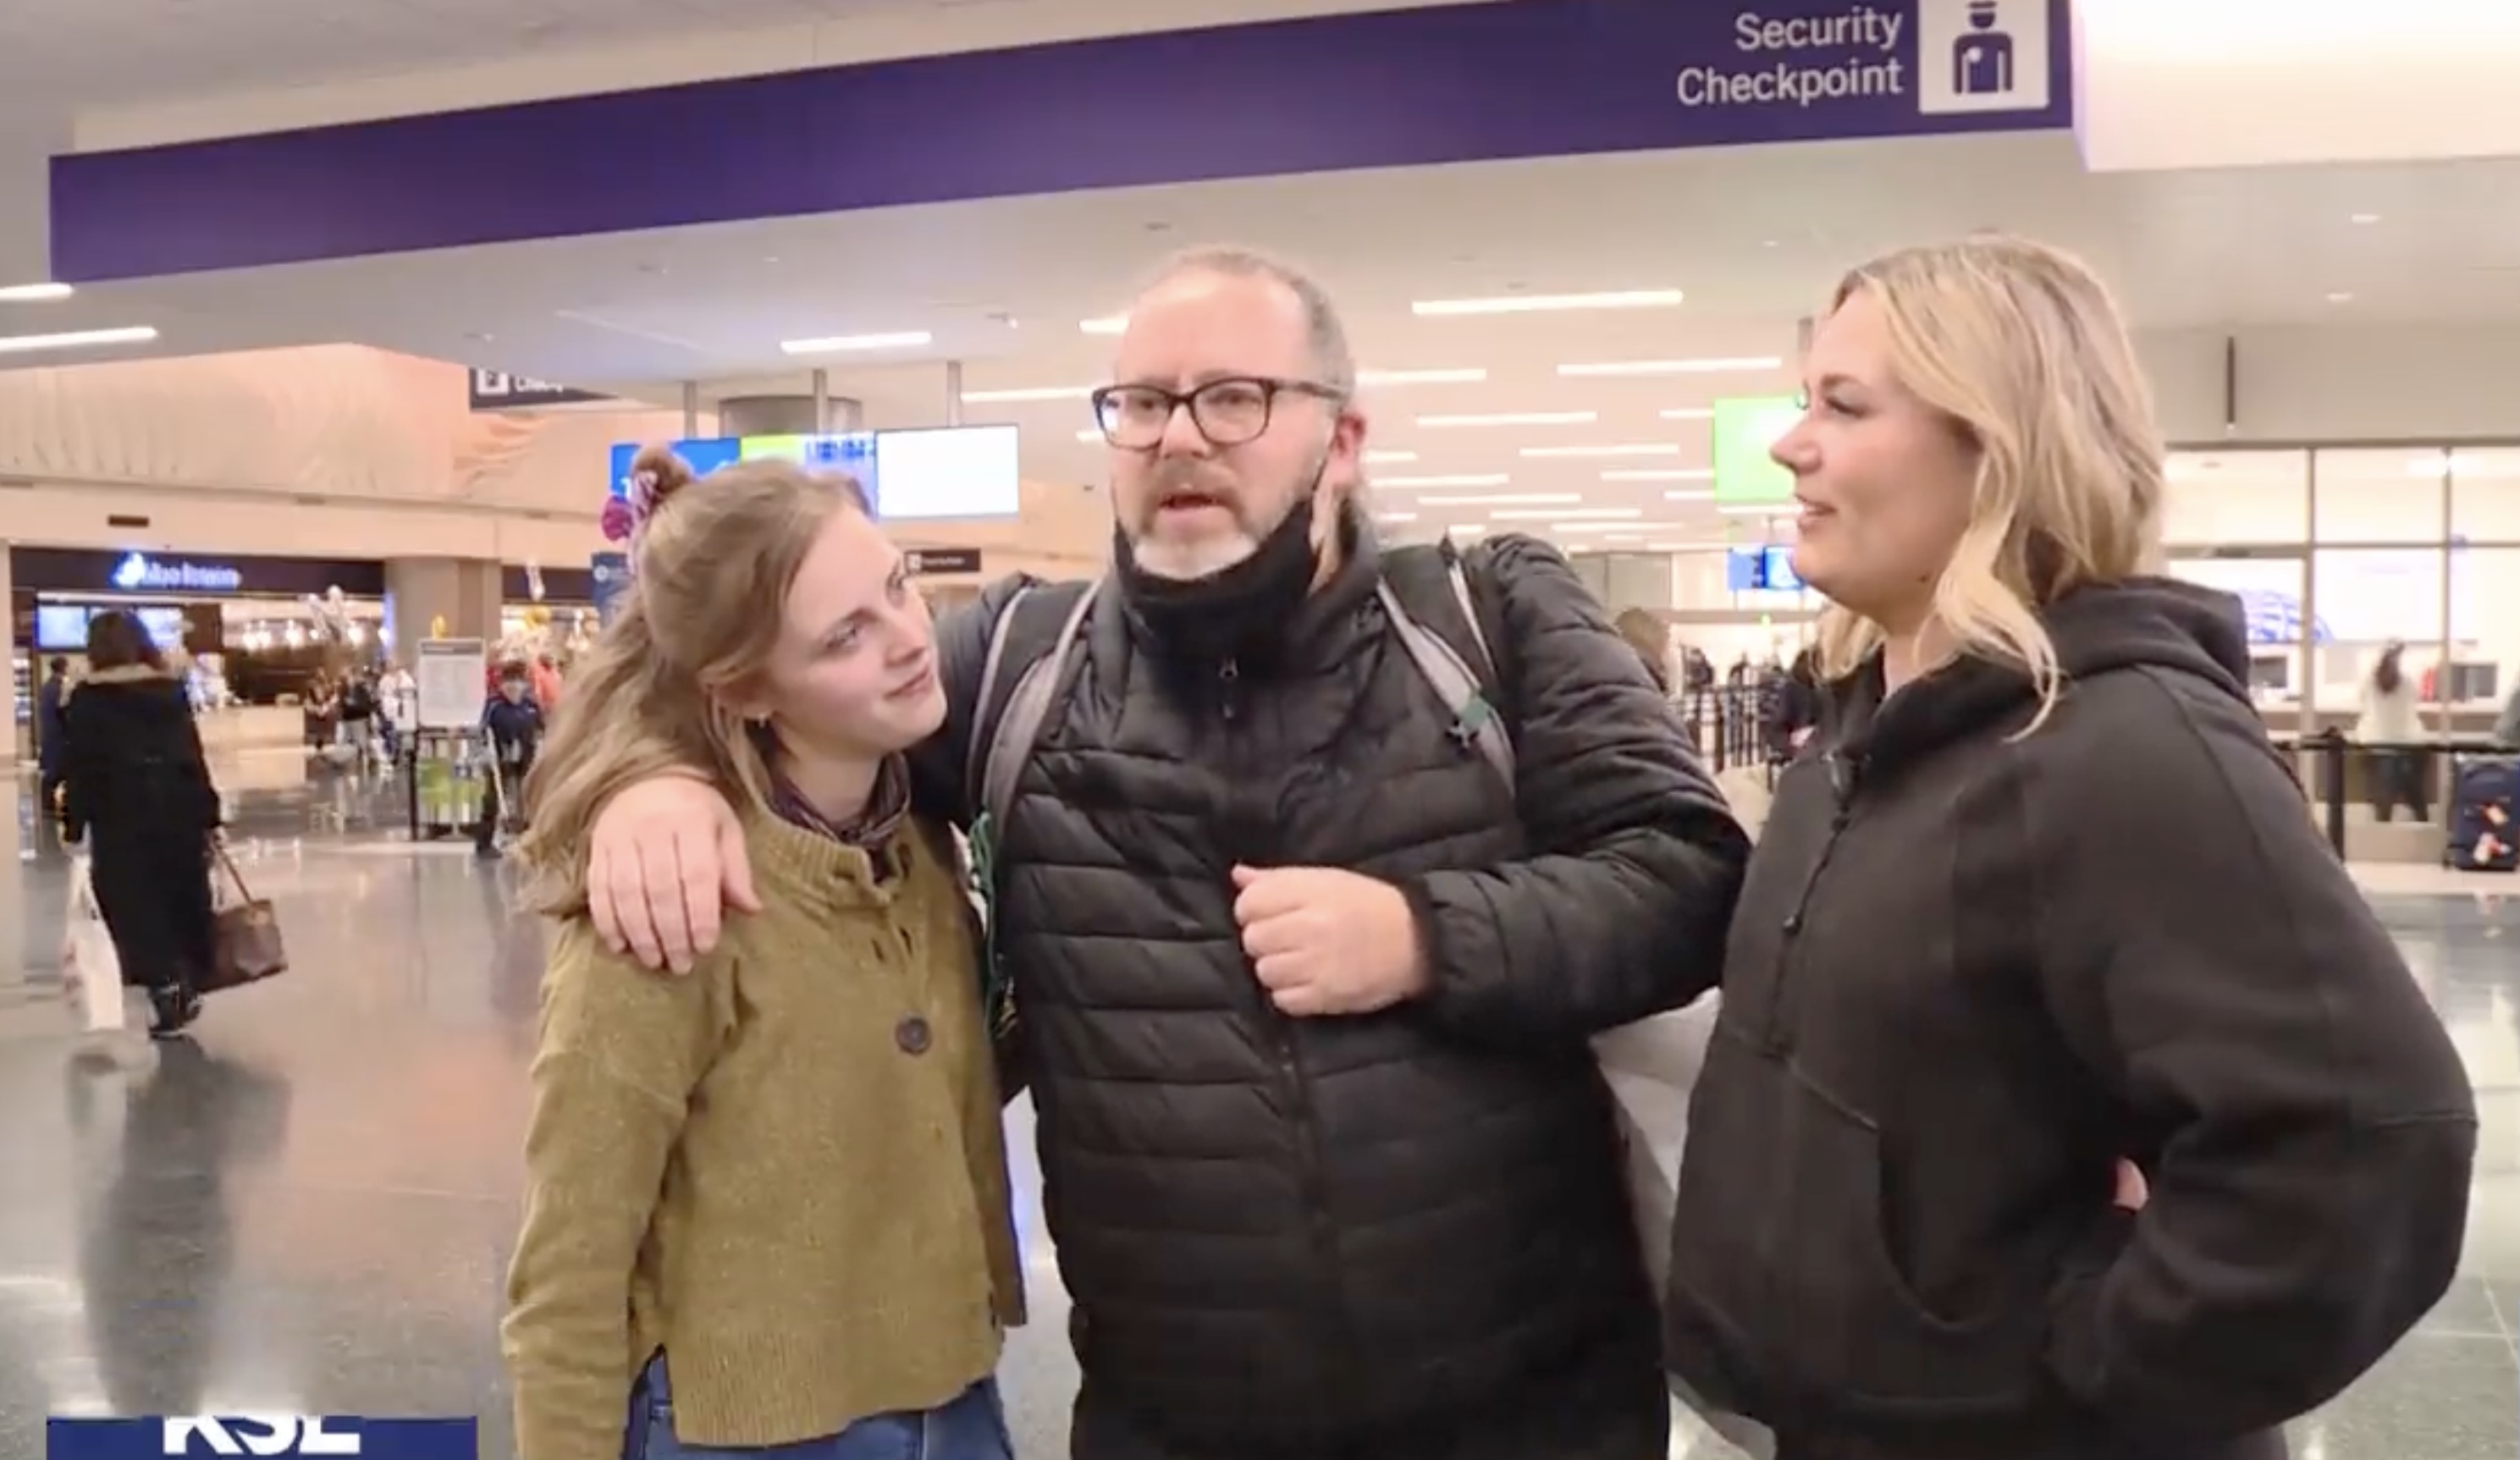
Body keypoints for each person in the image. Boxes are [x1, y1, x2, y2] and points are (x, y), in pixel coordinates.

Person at [572, 246, 1750, 1460]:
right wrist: (656, 775)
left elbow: (1691, 873)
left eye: (1235, 398)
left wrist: (1420, 935)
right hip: (1172, 1420)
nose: (1179, 438)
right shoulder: (1020, 667)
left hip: (1532, 1407)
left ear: (1342, 441)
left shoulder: (1486, 616)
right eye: (1142, 404)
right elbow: (768, 701)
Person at [1662, 234, 2478, 1460]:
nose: (1789, 444)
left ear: (1995, 445)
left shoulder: (2125, 745)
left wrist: (2073, 1365)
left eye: (1843, 405)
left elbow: (2360, 1148)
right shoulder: (1863, 739)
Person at [499, 451, 1023, 1460]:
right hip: (748, 1426)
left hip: (953, 1392)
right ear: (742, 690)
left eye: (898, 586)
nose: (909, 640)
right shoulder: (671, 903)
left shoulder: (914, 844)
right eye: (845, 636)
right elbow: (569, 1265)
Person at [58, 611, 222, 1038]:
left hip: (121, 815)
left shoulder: (88, 699)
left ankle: (165, 984)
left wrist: (74, 823)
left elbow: (82, 769)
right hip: (177, 810)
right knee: (178, 893)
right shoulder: (169, 691)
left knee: (132, 904)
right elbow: (192, 754)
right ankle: (182, 977)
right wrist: (209, 811)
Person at [477, 664, 545, 857]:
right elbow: (483, 729)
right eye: (509, 681)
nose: (513, 686)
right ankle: (484, 842)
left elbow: (541, 729)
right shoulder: (494, 705)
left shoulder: (531, 706)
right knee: (493, 799)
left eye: (518, 681)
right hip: (500, 758)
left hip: (526, 757)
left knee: (529, 798)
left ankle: (528, 839)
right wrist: (486, 751)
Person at [2357, 639, 2427, 821]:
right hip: (2396, 742)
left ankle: (2386, 817)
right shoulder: (2405, 683)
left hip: (2382, 742)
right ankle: (2414, 815)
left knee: (2390, 785)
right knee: (2405, 784)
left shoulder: (2371, 683)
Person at [36, 654, 70, 820]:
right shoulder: (59, 688)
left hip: (49, 733)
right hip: (59, 734)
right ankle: (54, 802)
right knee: (58, 769)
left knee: (52, 768)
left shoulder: (46, 688)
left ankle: (47, 802)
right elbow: (63, 711)